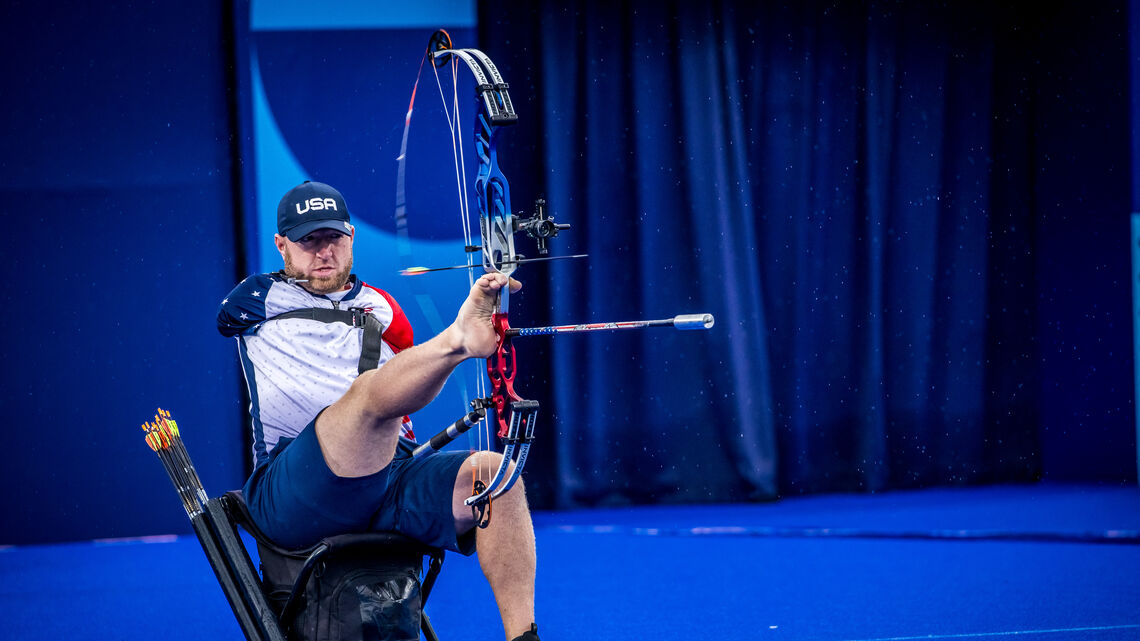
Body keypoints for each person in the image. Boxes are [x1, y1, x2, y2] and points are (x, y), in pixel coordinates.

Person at [217, 180, 540, 641]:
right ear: (281, 244)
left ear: (351, 236)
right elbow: (224, 317)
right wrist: (455, 343)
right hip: (292, 489)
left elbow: (409, 385)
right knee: (366, 397)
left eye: (333, 238)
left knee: (496, 476)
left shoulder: (383, 307)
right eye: (308, 240)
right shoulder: (255, 299)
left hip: (386, 476)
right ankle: (457, 339)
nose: (323, 252)